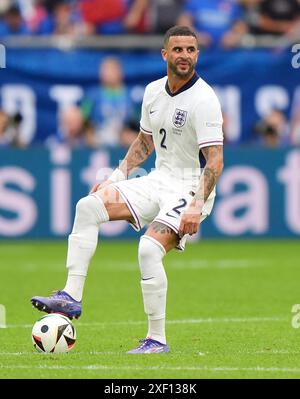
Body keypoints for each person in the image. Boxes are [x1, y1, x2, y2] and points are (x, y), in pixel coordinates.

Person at [31, 25, 224, 354]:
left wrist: (196, 205)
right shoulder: (152, 91)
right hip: (159, 179)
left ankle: (156, 339)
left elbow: (216, 160)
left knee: (148, 250)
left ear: (197, 54)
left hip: (190, 189)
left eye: (191, 50)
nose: (185, 56)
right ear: (165, 54)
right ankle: (71, 296)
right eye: (178, 50)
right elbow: (145, 141)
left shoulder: (204, 99)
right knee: (88, 206)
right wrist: (116, 177)